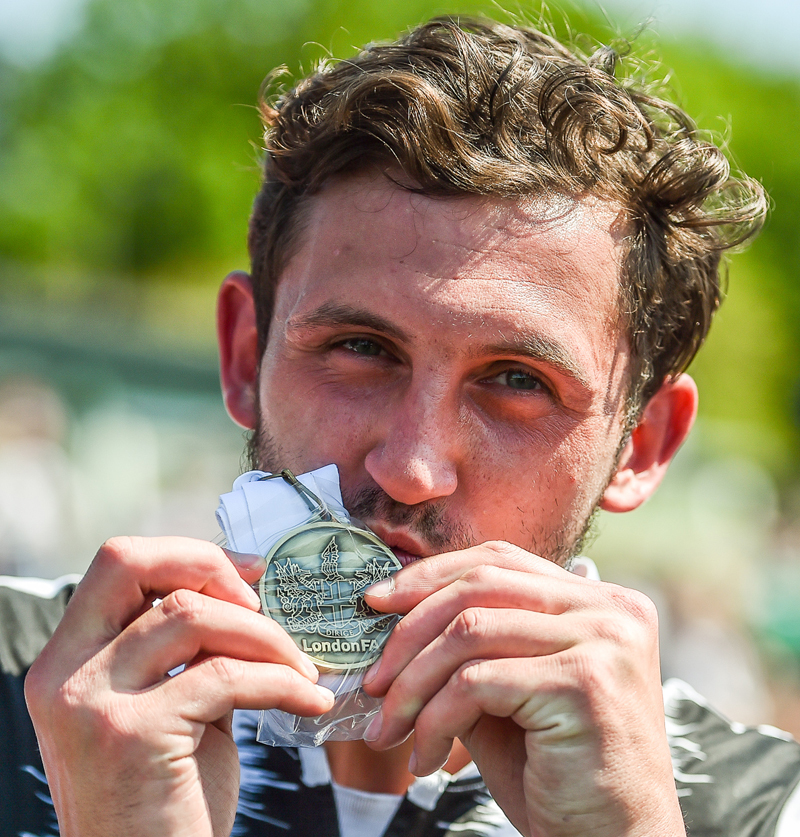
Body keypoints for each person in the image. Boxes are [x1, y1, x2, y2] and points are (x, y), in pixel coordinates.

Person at [11, 14, 800, 837]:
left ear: (641, 444)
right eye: (361, 348)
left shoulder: (769, 808)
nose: (411, 468)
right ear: (246, 356)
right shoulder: (17, 676)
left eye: (517, 381)